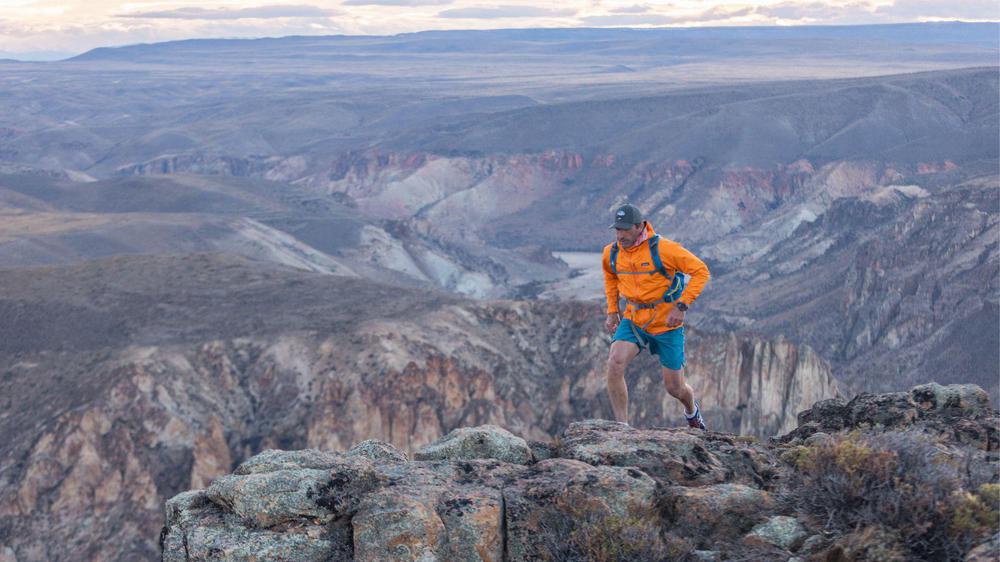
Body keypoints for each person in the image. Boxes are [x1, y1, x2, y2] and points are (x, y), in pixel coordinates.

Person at [602, 203, 711, 429]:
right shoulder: (611, 253)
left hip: (666, 324)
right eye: (617, 230)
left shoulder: (664, 249)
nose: (620, 235)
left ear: (639, 226)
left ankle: (692, 411)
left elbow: (701, 271)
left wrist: (681, 307)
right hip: (634, 320)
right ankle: (622, 427)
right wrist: (613, 310)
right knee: (615, 363)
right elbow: (611, 278)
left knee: (675, 388)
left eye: (624, 230)